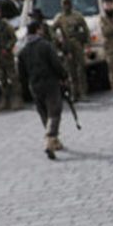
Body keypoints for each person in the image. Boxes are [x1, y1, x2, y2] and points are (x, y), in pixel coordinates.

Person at [17, 20, 68, 159]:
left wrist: (25, 90)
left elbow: (21, 74)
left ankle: (55, 141)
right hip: (50, 83)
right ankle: (50, 140)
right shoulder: (45, 45)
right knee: (54, 112)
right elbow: (56, 63)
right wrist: (64, 76)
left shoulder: (23, 51)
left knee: (44, 113)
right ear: (38, 30)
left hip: (34, 85)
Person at [51, 0, 90, 101]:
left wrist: (86, 42)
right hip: (67, 46)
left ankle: (83, 93)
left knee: (81, 69)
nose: (66, 6)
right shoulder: (60, 18)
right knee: (70, 70)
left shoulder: (77, 16)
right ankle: (74, 93)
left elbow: (85, 29)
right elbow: (52, 30)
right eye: (64, 4)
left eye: (68, 4)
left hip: (77, 44)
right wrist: (57, 41)